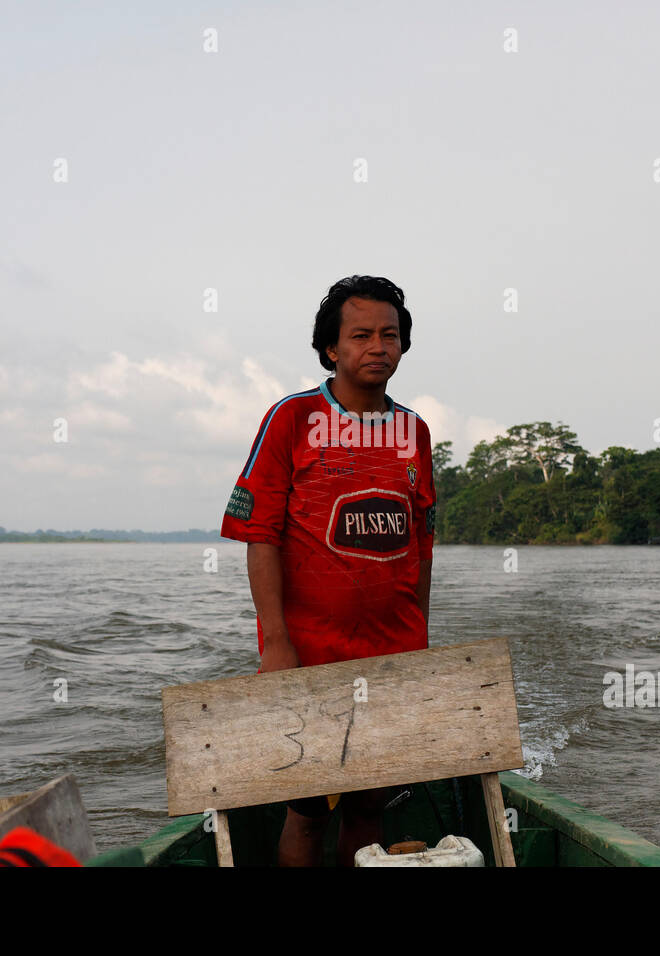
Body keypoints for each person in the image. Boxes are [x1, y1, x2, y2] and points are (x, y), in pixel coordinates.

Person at [219, 275, 435, 866]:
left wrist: (419, 642)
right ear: (330, 349)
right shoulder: (293, 418)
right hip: (310, 654)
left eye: (389, 335)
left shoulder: (414, 431)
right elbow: (258, 534)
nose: (378, 346)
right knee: (309, 811)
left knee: (370, 805)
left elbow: (422, 544)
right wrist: (277, 645)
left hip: (393, 654)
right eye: (360, 335)